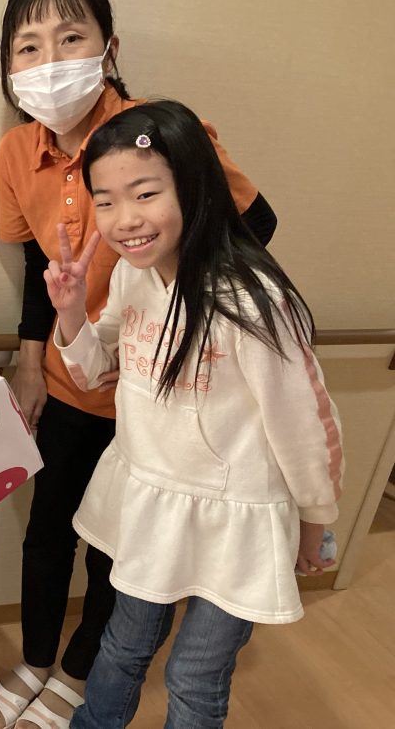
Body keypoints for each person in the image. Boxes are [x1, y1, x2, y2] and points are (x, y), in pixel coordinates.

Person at [0, 0, 278, 729]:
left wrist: (166, 313)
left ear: (108, 48)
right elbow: (37, 268)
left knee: (123, 550)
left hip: (156, 396)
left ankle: (78, 674)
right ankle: (36, 661)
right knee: (50, 531)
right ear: (8, 65)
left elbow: (256, 224)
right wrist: (28, 362)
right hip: (68, 375)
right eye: (29, 47)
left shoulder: (159, 130)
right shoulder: (16, 153)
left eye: (70, 38)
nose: (50, 62)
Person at [46, 100, 342, 728]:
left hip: (236, 515)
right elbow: (97, 372)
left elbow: (303, 421)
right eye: (105, 200)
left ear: (194, 185)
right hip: (152, 501)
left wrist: (315, 517)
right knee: (122, 645)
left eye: (145, 193)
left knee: (194, 675)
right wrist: (70, 312)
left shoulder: (251, 300)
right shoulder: (133, 277)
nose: (125, 219)